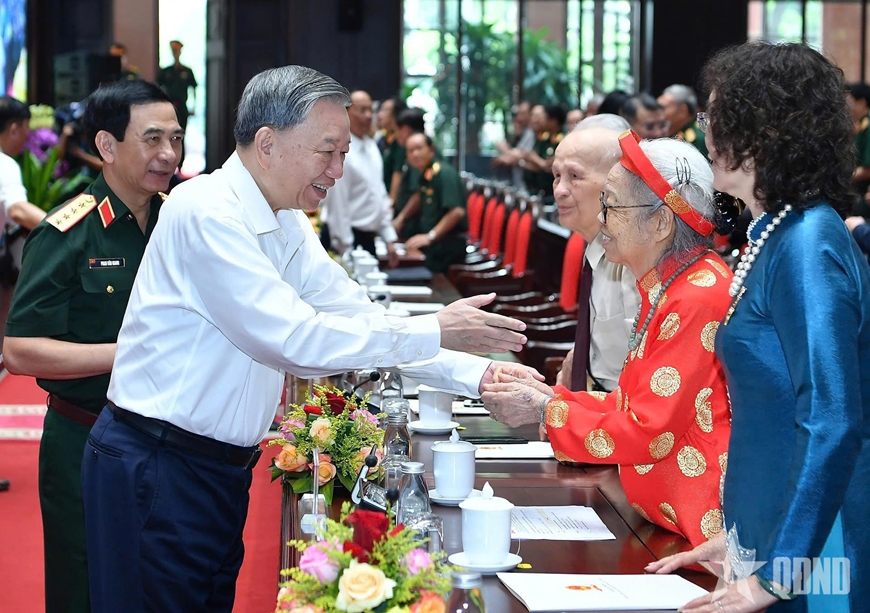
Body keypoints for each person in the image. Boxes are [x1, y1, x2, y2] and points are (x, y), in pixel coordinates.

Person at [80, 65, 537, 613]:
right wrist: (437, 328)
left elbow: (356, 315)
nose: (338, 171)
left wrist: (479, 375)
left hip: (214, 468)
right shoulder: (205, 211)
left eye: (344, 153)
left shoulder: (285, 219)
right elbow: (294, 339)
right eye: (328, 152)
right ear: (268, 144)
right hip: (158, 464)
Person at [649, 42, 870, 613]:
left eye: (715, 117)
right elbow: (772, 410)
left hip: (815, 556)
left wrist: (777, 577)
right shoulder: (775, 234)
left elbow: (831, 421)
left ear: (764, 132)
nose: (705, 134)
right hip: (774, 535)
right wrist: (738, 539)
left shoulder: (808, 245)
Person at [483, 134, 734, 548]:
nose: (601, 219)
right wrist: (551, 398)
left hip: (698, 537)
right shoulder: (672, 283)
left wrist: (547, 411)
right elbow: (632, 404)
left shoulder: (696, 296)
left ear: (660, 222)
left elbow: (649, 431)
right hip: (662, 520)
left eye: (613, 206)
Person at [3, 80, 182, 613]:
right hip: (85, 439)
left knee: (162, 583)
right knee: (84, 586)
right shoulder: (69, 232)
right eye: (152, 139)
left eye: (175, 138)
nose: (168, 154)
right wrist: (129, 353)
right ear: (107, 145)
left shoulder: (179, 222)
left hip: (172, 441)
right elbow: (19, 350)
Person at [550, 121, 640, 393]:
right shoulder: (594, 247)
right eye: (556, 176)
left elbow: (644, 378)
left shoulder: (636, 260)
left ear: (617, 181)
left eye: (574, 176)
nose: (559, 190)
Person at [320, 90, 399, 264]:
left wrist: (389, 237)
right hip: (345, 238)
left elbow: (379, 194)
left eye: (371, 110)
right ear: (346, 113)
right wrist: (346, 249)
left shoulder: (372, 147)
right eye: (362, 110)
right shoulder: (340, 151)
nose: (369, 116)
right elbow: (337, 205)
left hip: (368, 239)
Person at [0, 96, 47, 349]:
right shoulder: (5, 165)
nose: (26, 138)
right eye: (25, 131)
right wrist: (67, 226)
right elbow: (18, 210)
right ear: (14, 129)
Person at [403, 132, 467, 272]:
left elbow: (457, 211)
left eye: (419, 148)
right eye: (410, 151)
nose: (415, 154)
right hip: (433, 246)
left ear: (431, 150)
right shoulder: (427, 174)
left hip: (446, 248)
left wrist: (430, 236)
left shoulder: (444, 173)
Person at [521, 104, 566, 202]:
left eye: (546, 118)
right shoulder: (544, 138)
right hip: (539, 190)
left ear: (553, 121)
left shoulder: (562, 141)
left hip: (553, 193)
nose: (543, 121)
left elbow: (550, 166)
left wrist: (537, 161)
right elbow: (528, 157)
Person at [492, 101, 536, 189]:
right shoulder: (522, 134)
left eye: (523, 114)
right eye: (518, 114)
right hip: (518, 184)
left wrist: (505, 150)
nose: (519, 118)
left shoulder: (531, 133)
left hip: (529, 185)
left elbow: (516, 156)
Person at [156, 40, 198, 132]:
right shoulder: (166, 71)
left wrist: (194, 107)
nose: (175, 54)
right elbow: (157, 87)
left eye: (177, 51)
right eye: (174, 51)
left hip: (182, 106)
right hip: (169, 106)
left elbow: (193, 88)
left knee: (182, 132)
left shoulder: (187, 71)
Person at [658, 84, 707, 156]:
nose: (658, 114)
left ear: (683, 110)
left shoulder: (698, 138)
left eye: (663, 108)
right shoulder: (667, 132)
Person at [847, 82, 870, 216]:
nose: (847, 107)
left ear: (861, 103)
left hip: (863, 196)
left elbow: (868, 170)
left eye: (850, 102)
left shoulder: (868, 127)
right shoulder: (859, 125)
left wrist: (841, 178)